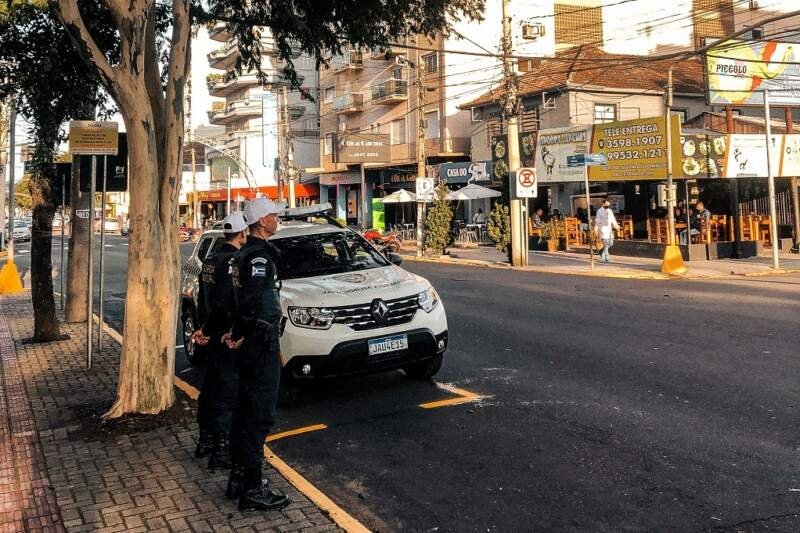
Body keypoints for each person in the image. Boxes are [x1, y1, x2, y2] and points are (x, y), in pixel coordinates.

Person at [224, 197, 290, 512]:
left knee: (244, 410)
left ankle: (239, 478)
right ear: (262, 222)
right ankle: (251, 488)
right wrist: (242, 334)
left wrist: (236, 334)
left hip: (252, 341)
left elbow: (237, 303)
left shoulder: (246, 254)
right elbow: (249, 303)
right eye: (273, 215)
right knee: (258, 415)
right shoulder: (258, 258)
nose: (277, 218)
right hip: (261, 343)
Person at [191, 212, 248, 470]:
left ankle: (205, 441)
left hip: (210, 335)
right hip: (226, 336)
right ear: (242, 234)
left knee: (210, 389)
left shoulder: (211, 260)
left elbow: (204, 299)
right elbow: (227, 304)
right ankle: (222, 449)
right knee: (227, 392)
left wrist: (204, 330)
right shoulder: (234, 262)